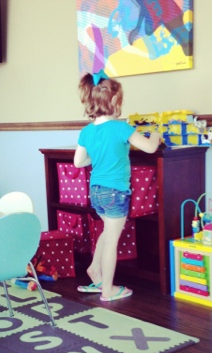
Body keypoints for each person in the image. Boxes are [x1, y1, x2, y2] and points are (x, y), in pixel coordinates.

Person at [74, 70, 161, 302]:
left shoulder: (87, 131)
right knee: (112, 240)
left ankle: (94, 269)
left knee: (107, 231)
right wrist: (155, 135)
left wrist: (98, 156)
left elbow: (79, 162)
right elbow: (150, 148)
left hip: (96, 192)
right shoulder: (121, 128)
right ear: (113, 100)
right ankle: (107, 290)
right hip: (115, 192)